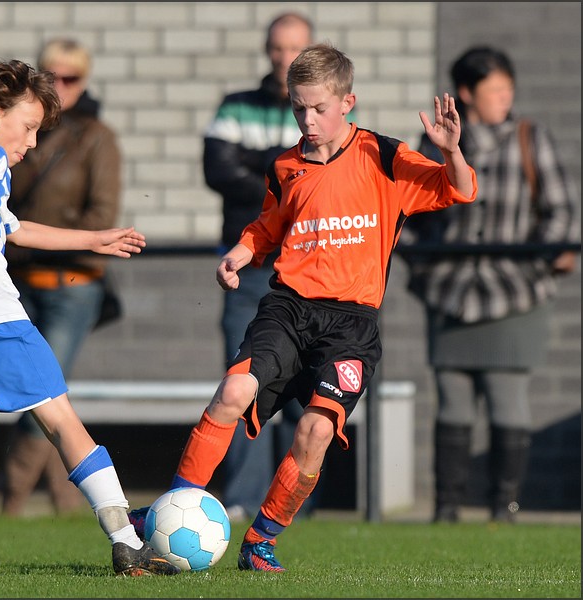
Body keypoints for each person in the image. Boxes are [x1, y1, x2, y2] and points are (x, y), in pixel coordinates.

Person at [128, 43, 477, 572]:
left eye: (318, 108)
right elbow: (268, 227)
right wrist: (241, 254)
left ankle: (261, 538)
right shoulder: (286, 166)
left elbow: (463, 190)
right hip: (288, 309)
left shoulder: (384, 156)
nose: (307, 120)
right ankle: (168, 510)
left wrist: (450, 150)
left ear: (348, 102)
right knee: (233, 391)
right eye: (298, 108)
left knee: (315, 431)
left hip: (351, 325)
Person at [0, 59, 179, 577]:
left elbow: (13, 228)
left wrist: (94, 239)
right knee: (60, 416)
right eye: (27, 127)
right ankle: (127, 544)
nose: (30, 143)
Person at [401, 46, 578, 524]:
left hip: (516, 293)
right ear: (466, 93)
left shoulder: (530, 137)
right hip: (450, 290)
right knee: (452, 400)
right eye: (494, 89)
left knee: (508, 398)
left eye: (508, 89)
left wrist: (538, 261)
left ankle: (504, 508)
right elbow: (410, 211)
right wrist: (422, 266)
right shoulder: (435, 140)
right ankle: (447, 508)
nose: (505, 97)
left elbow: (561, 211)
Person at [0, 38, 122, 517]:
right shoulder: (21, 134)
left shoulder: (96, 136)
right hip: (19, 279)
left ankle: (10, 499)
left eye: (70, 78)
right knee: (45, 393)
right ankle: (65, 502)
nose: (60, 87)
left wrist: (54, 240)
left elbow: (103, 213)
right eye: (50, 77)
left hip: (72, 283)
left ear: (84, 82)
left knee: (42, 391)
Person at [202, 11, 317, 522]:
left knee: (306, 392)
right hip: (250, 267)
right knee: (241, 382)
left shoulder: (322, 110)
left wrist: (264, 169)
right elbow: (217, 169)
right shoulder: (236, 105)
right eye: (276, 48)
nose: (284, 58)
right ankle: (242, 499)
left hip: (308, 271)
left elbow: (330, 176)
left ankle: (296, 504)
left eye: (294, 48)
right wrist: (286, 182)